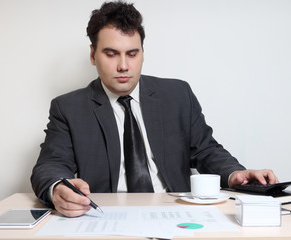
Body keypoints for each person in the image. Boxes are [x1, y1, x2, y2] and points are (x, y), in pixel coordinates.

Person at [30, 1, 278, 217]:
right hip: (104, 216)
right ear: (93, 55)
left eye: (132, 53)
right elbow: (50, 165)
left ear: (143, 54)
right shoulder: (68, 108)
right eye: (111, 54)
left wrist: (235, 174)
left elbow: (206, 150)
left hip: (175, 212)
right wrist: (57, 188)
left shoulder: (178, 95)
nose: (124, 66)